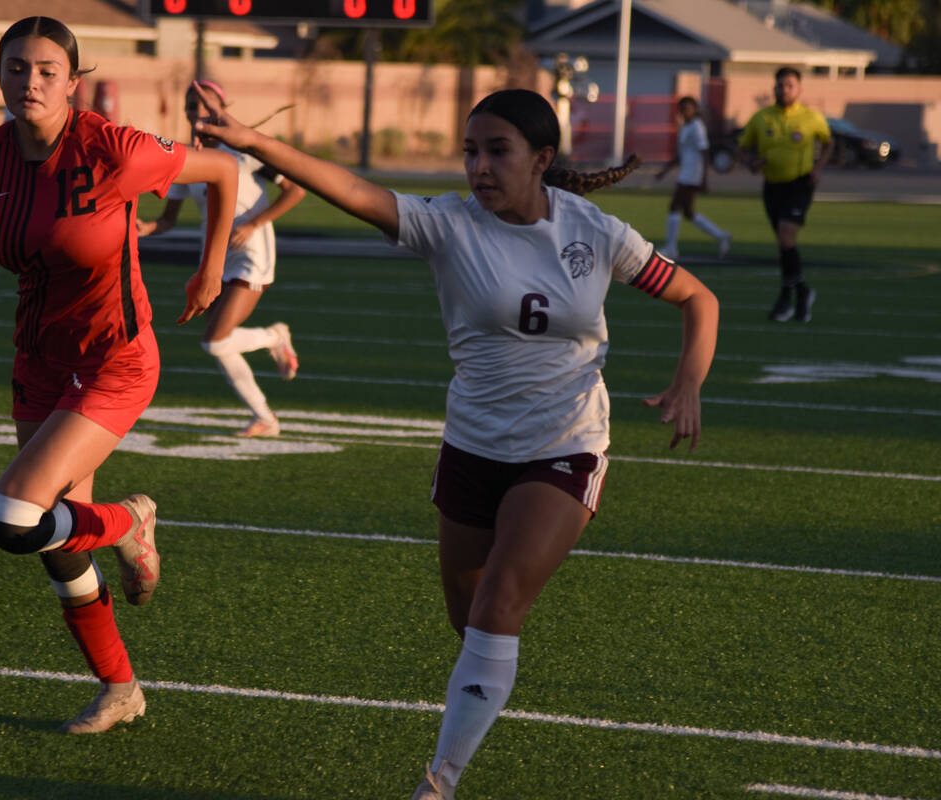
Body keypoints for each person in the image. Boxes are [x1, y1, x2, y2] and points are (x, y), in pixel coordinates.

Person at [194, 85, 718, 799]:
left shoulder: (594, 231)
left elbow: (698, 298)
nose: (478, 166)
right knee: (469, 618)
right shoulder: (448, 225)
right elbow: (351, 188)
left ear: (541, 159)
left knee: (500, 603)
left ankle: (438, 783)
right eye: (470, 150)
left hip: (566, 443)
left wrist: (688, 381)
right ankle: (482, 688)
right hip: (472, 446)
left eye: (497, 151)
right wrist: (255, 142)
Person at [0, 17, 238, 733]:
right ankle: (121, 688)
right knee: (57, 547)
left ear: (73, 80)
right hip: (38, 359)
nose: (28, 82)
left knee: (14, 518)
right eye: (14, 68)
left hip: (117, 358)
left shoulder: (112, 147)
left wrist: (210, 266)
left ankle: (131, 521)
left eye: (44, 70)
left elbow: (223, 170)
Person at [138, 80, 305, 437]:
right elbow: (168, 220)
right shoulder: (186, 158)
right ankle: (265, 417)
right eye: (190, 105)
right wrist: (143, 227)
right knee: (221, 344)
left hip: (251, 255)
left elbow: (296, 190)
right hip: (213, 261)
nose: (195, 111)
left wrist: (254, 223)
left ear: (221, 108)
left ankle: (274, 337)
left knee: (215, 340)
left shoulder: (245, 151)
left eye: (204, 104)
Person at [738, 66, 833, 323]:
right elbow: (743, 147)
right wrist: (751, 163)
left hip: (800, 184)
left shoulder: (811, 117)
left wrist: (818, 168)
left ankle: (785, 298)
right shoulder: (761, 117)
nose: (784, 89)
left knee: (785, 235)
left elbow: (829, 142)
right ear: (774, 88)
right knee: (784, 244)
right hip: (772, 186)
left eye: (789, 85)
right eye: (780, 85)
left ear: (799, 89)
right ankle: (800, 292)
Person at [655, 96, 730, 260]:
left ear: (694, 109)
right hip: (686, 173)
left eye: (687, 108)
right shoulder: (686, 127)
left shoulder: (697, 126)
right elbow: (680, 155)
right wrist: (664, 171)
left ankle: (671, 248)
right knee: (688, 212)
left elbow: (705, 152)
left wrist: (704, 178)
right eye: (682, 108)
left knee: (674, 206)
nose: (684, 111)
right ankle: (721, 236)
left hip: (693, 175)